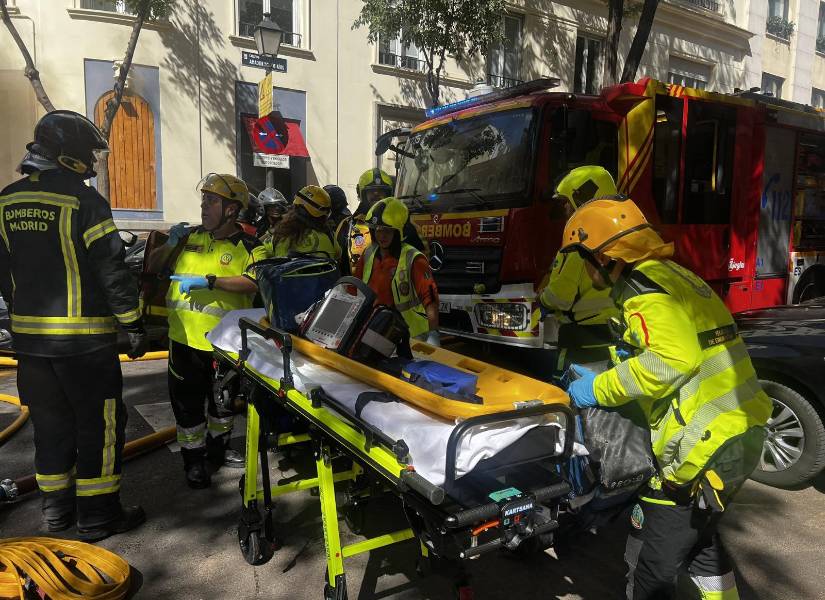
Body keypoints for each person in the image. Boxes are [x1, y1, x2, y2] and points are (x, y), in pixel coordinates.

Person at [561, 196, 772, 600]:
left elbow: (670, 361)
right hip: (739, 432)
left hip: (699, 447)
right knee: (700, 538)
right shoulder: (674, 276)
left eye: (585, 258)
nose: (585, 269)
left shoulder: (644, 291)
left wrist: (596, 388)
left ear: (606, 257)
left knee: (650, 564)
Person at [0, 110, 147, 541]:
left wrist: (22, 311)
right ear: (68, 155)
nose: (93, 163)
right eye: (88, 154)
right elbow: (112, 271)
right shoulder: (85, 203)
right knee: (98, 428)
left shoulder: (6, 200)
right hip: (85, 347)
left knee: (49, 426)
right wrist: (133, 324)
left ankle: (56, 513)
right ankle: (99, 517)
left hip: (30, 344)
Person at [157, 174, 269, 489]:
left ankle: (217, 451)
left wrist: (211, 282)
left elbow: (256, 280)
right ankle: (193, 462)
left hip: (225, 342)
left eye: (212, 201)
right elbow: (155, 266)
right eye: (204, 200)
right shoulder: (189, 237)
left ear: (232, 209)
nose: (204, 206)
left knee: (223, 404)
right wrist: (169, 244)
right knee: (187, 406)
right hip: (184, 340)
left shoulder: (251, 245)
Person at [539, 166, 620, 376]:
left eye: (566, 202)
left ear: (582, 200)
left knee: (575, 398)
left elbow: (559, 297)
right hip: (616, 338)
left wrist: (542, 298)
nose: (565, 209)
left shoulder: (576, 246)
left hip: (580, 341)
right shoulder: (622, 239)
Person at [354, 197, 440, 345]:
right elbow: (353, 290)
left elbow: (430, 298)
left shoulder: (414, 258)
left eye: (387, 231)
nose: (382, 236)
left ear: (399, 232)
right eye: (378, 230)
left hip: (411, 338)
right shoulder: (368, 254)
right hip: (376, 330)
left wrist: (433, 333)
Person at [269, 185, 336, 259]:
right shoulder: (330, 235)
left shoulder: (280, 234)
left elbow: (261, 260)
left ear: (296, 207)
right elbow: (338, 254)